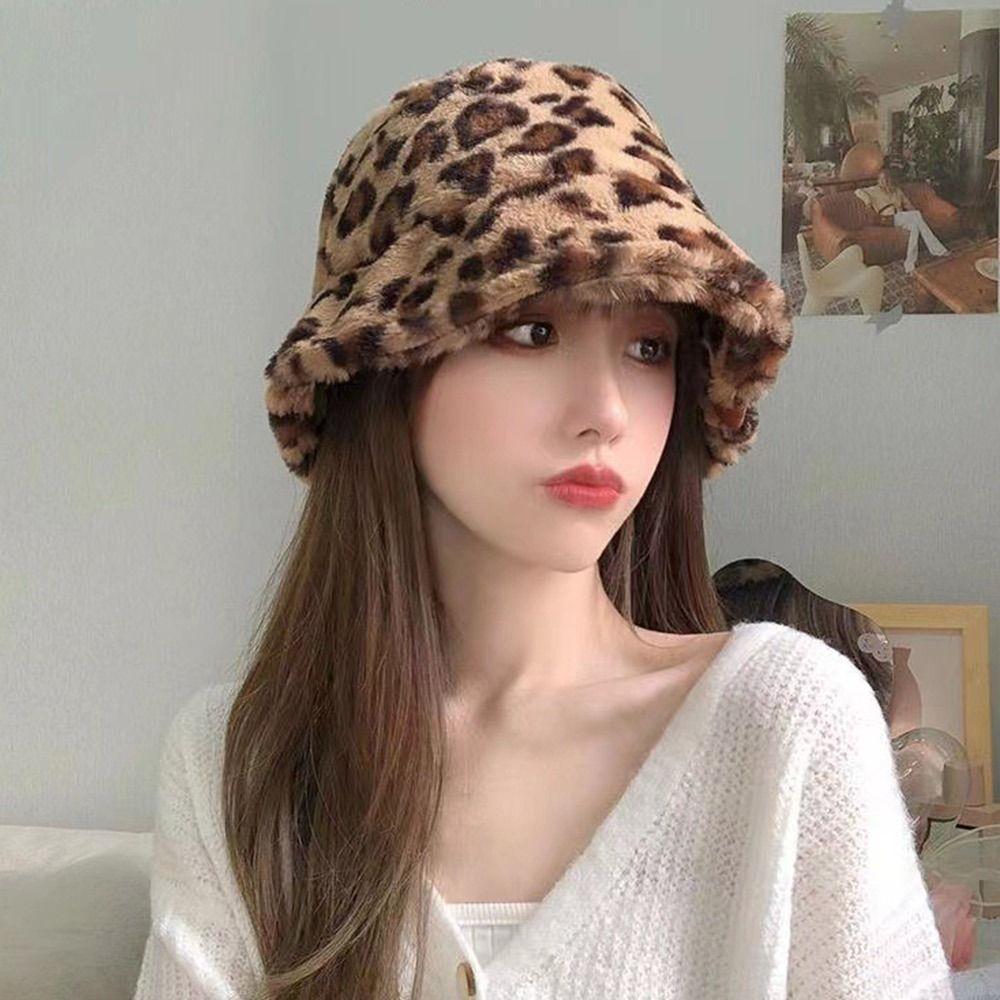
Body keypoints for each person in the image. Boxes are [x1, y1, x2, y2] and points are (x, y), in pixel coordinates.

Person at [132, 58, 955, 1000]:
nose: (606, 410)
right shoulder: (240, 764)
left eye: (648, 347)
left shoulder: (786, 724)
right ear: (385, 369)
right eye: (530, 331)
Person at [856, 165, 950, 273]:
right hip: (887, 219)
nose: (885, 182)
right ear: (878, 181)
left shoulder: (897, 191)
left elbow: (908, 205)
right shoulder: (873, 190)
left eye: (887, 179)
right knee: (916, 215)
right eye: (882, 179)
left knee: (914, 228)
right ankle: (938, 250)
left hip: (900, 217)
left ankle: (909, 263)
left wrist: (917, 216)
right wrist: (868, 203)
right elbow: (858, 191)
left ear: (891, 180)